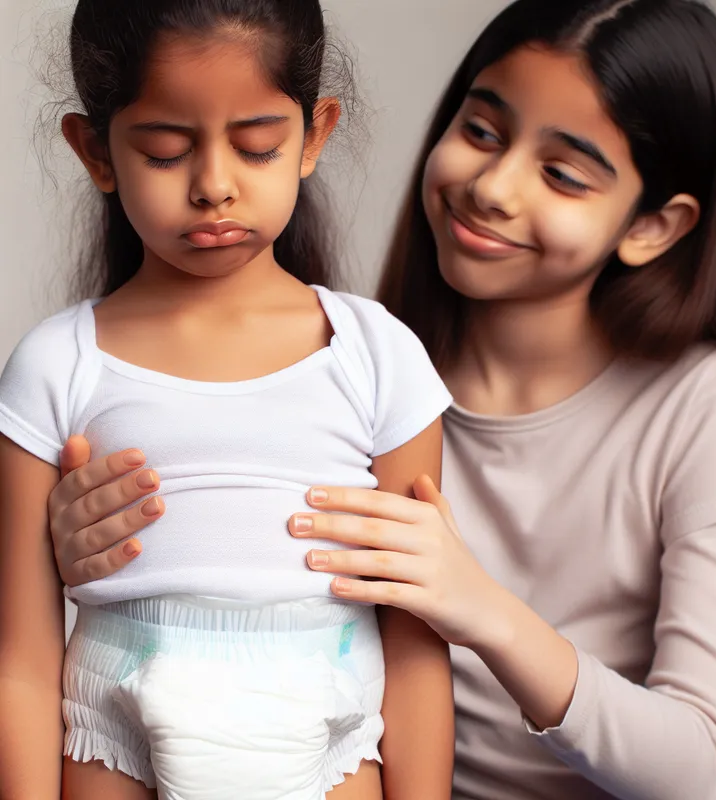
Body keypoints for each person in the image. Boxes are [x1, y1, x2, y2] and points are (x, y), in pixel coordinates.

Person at [38, 0, 716, 798]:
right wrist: (62, 540)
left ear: (652, 225)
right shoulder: (357, 368)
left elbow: (700, 769)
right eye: (481, 131)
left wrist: (481, 610)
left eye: (563, 174)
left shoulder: (702, 406)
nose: (495, 187)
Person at [0, 1, 456, 798]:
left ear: (313, 137)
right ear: (96, 152)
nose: (215, 186)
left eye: (257, 147)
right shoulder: (54, 367)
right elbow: (22, 661)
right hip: (115, 720)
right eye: (167, 153)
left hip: (330, 723)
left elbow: (417, 646)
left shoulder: (379, 358)